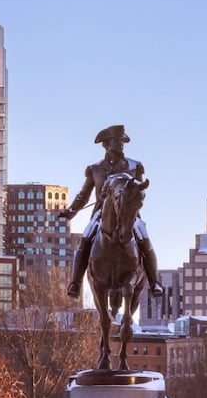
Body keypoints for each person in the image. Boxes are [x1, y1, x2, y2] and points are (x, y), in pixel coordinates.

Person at [59, 125, 165, 299]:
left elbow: (141, 190)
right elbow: (84, 195)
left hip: (129, 215)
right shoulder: (95, 169)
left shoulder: (134, 166)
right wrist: (71, 211)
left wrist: (136, 193)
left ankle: (154, 282)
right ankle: (75, 283)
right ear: (106, 144)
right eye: (117, 141)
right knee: (85, 241)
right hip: (101, 214)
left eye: (123, 141)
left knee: (145, 240)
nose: (121, 144)